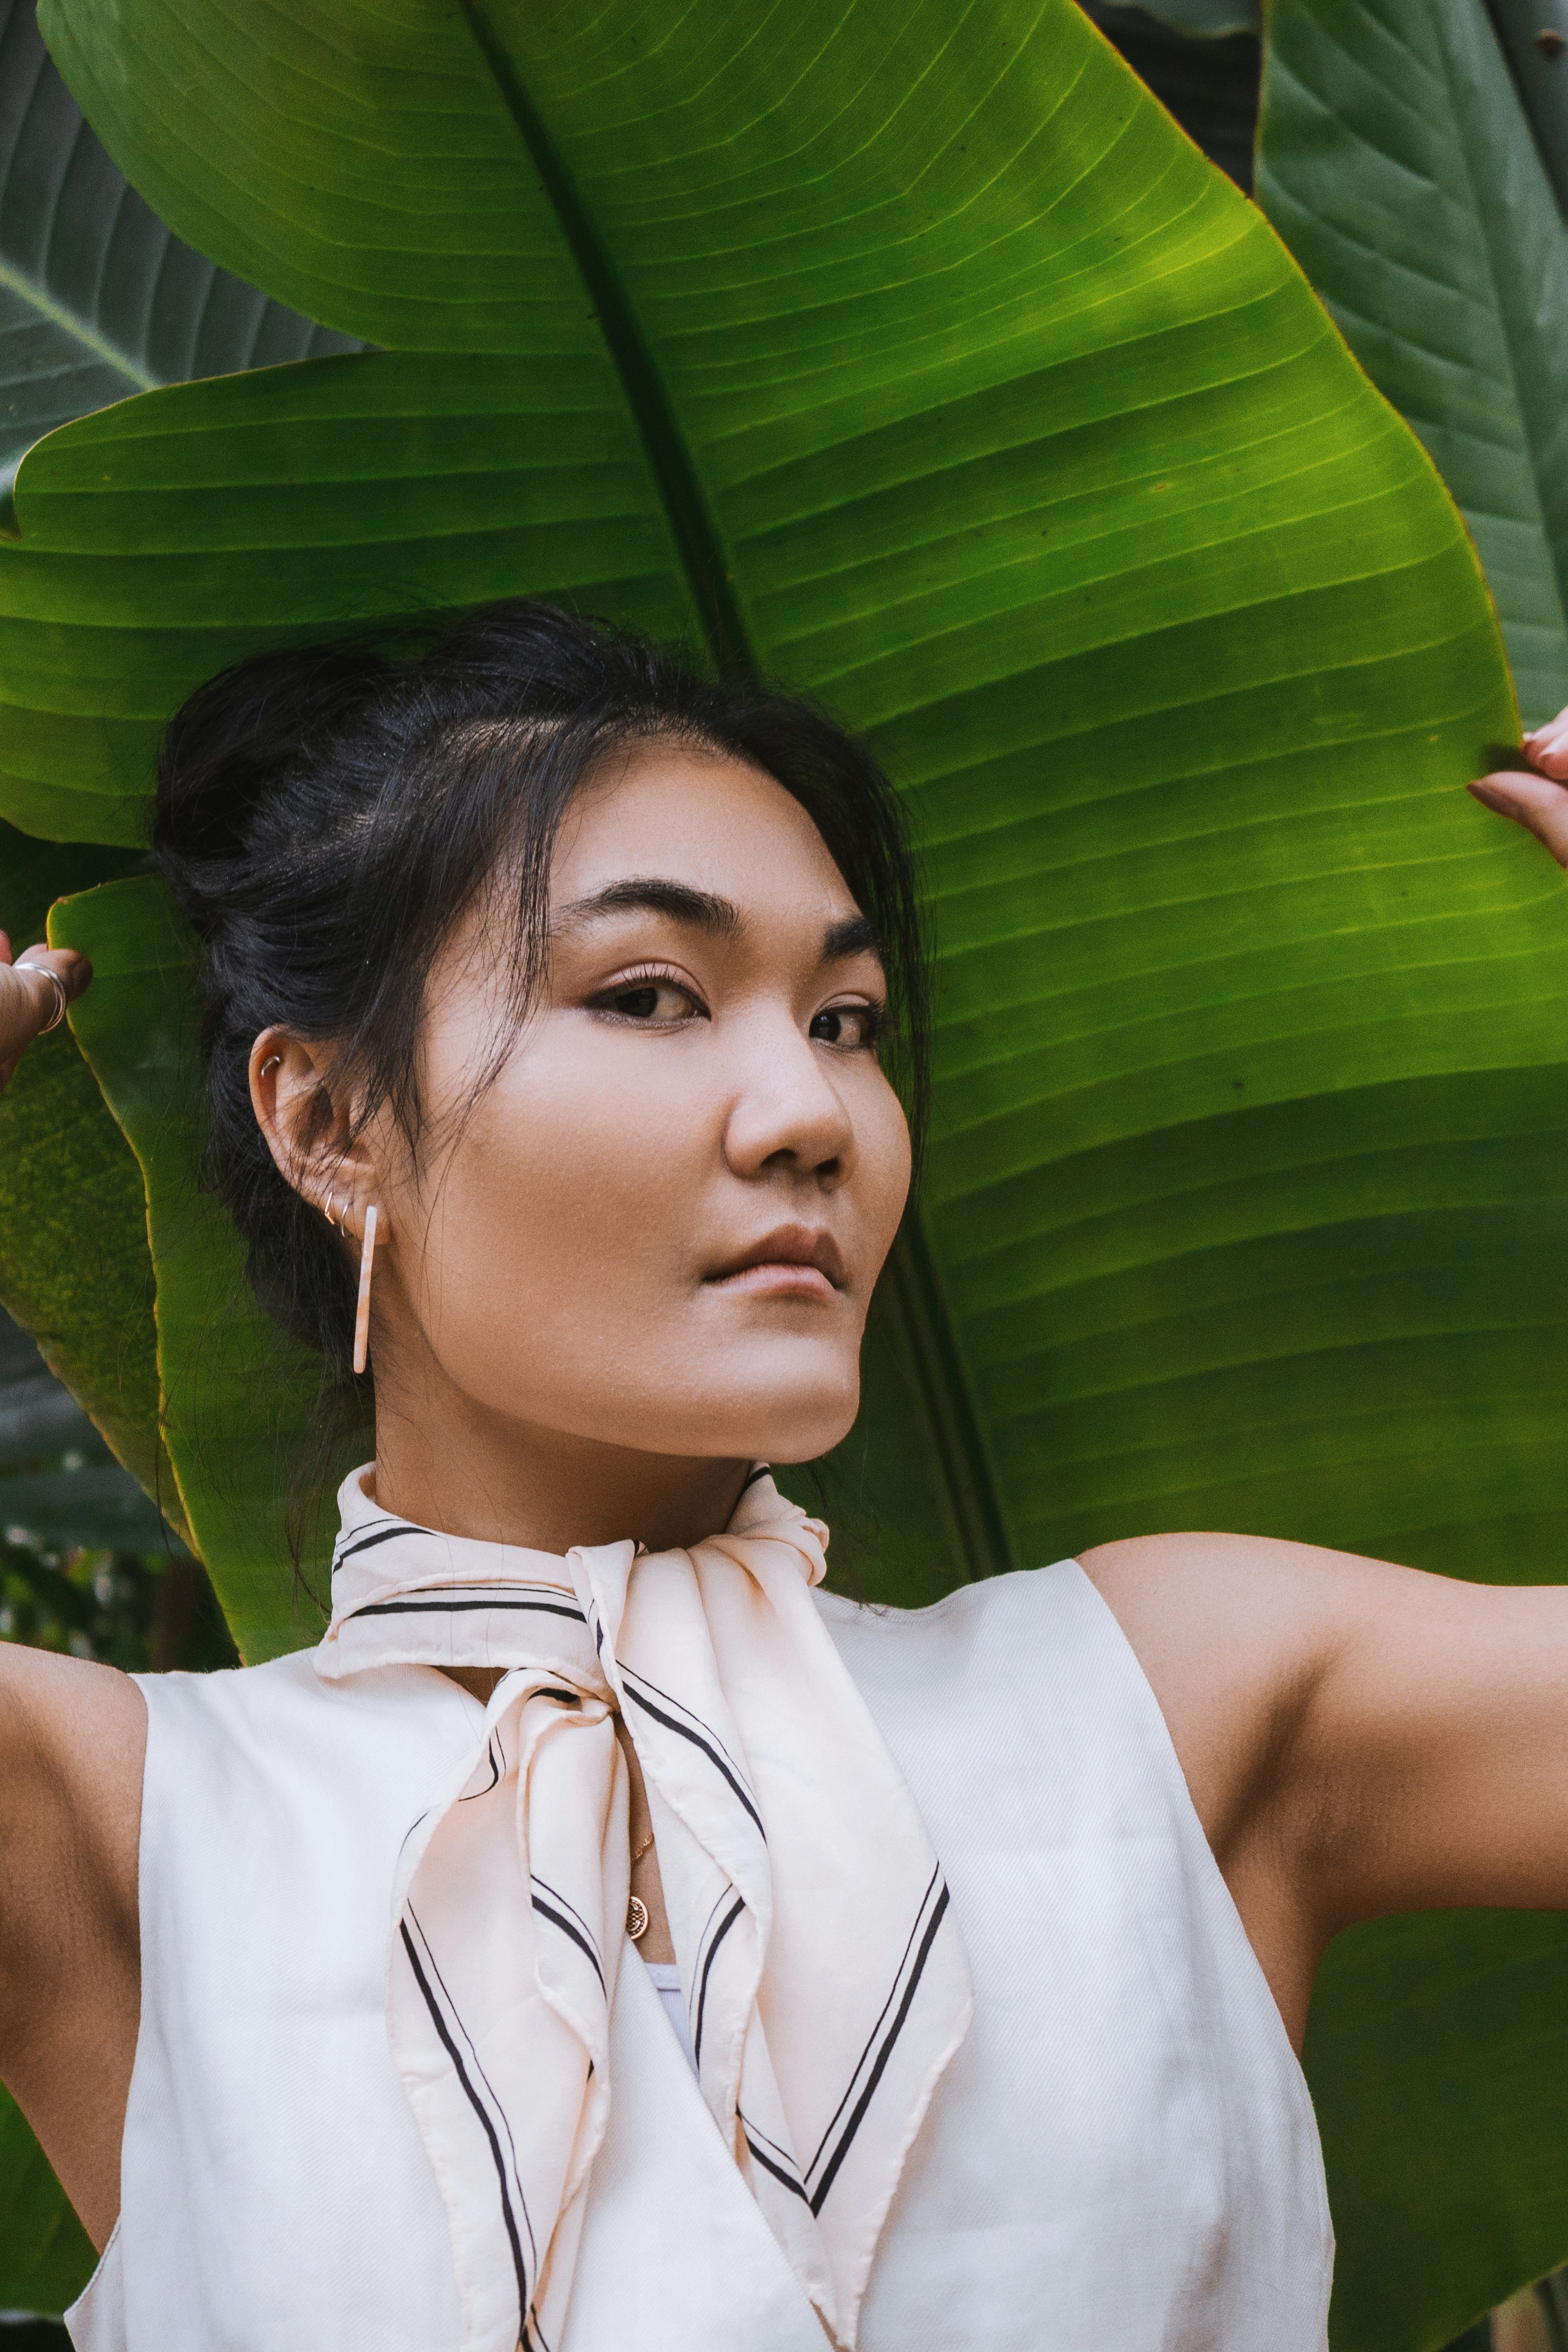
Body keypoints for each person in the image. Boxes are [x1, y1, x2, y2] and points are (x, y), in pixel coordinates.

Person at [1, 600, 1566, 2352]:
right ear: (328, 1121)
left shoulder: (1178, 1698)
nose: (808, 1113)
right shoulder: (108, 1821)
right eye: (648, 996)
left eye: (844, 1020)